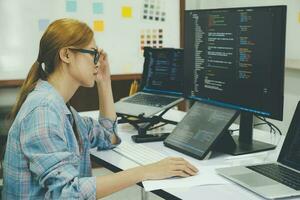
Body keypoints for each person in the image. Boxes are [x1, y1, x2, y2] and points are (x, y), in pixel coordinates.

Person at [1, 18, 198, 199]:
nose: (97, 62)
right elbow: (69, 193)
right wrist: (146, 171)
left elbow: (108, 136)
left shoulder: (62, 109)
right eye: (93, 54)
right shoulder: (43, 111)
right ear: (66, 54)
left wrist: (104, 83)